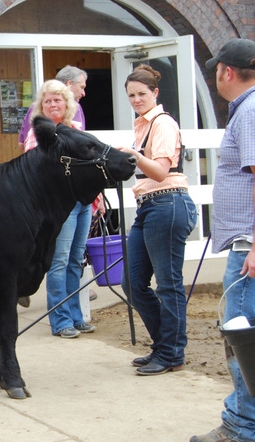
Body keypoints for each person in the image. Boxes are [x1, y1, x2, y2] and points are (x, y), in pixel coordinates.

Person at [191, 38, 255, 442]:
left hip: (249, 246)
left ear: (226, 72)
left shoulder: (249, 111)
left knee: (242, 336)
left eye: (216, 70)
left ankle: (241, 427)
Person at [116, 64, 196, 375]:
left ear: (155, 93)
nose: (136, 99)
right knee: (132, 282)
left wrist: (132, 155)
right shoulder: (141, 125)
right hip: (149, 204)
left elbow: (161, 171)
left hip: (168, 202)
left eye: (142, 94)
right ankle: (165, 345)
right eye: (131, 95)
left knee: (168, 283)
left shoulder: (163, 124)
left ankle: (172, 352)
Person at [24, 79, 96, 339]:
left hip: (83, 204)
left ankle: (76, 316)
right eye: (48, 100)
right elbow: (37, 173)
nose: (53, 104)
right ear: (41, 107)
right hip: (59, 206)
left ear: (67, 103)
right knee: (59, 261)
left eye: (58, 99)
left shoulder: (76, 129)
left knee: (76, 261)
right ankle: (61, 320)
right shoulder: (38, 135)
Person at [18, 65, 88, 149]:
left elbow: (22, 143)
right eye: (81, 87)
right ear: (69, 84)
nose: (53, 105)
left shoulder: (35, 106)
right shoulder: (74, 107)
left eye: (57, 100)